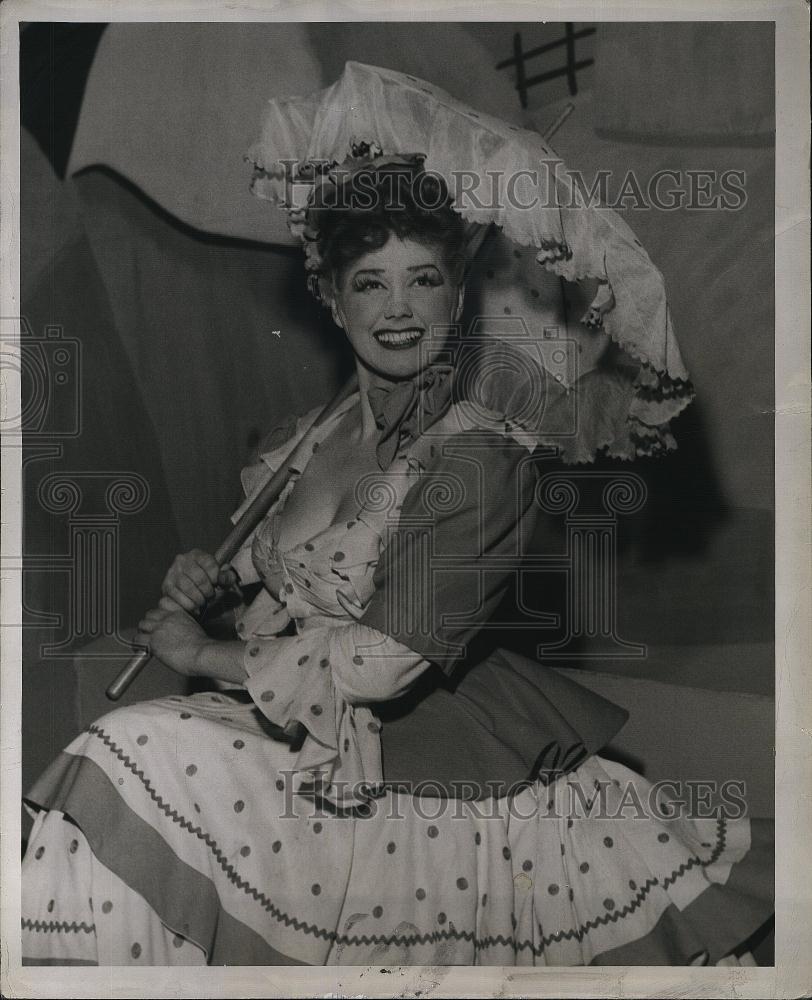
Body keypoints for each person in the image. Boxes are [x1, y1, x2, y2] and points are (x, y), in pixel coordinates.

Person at [21, 63, 773, 968]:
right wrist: (210, 585)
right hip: (308, 748)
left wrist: (202, 654)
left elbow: (378, 665)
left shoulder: (480, 457)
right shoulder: (310, 439)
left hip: (431, 780)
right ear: (332, 299)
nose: (401, 310)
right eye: (371, 284)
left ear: (457, 297)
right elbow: (282, 592)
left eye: (424, 280)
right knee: (109, 774)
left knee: (126, 756)